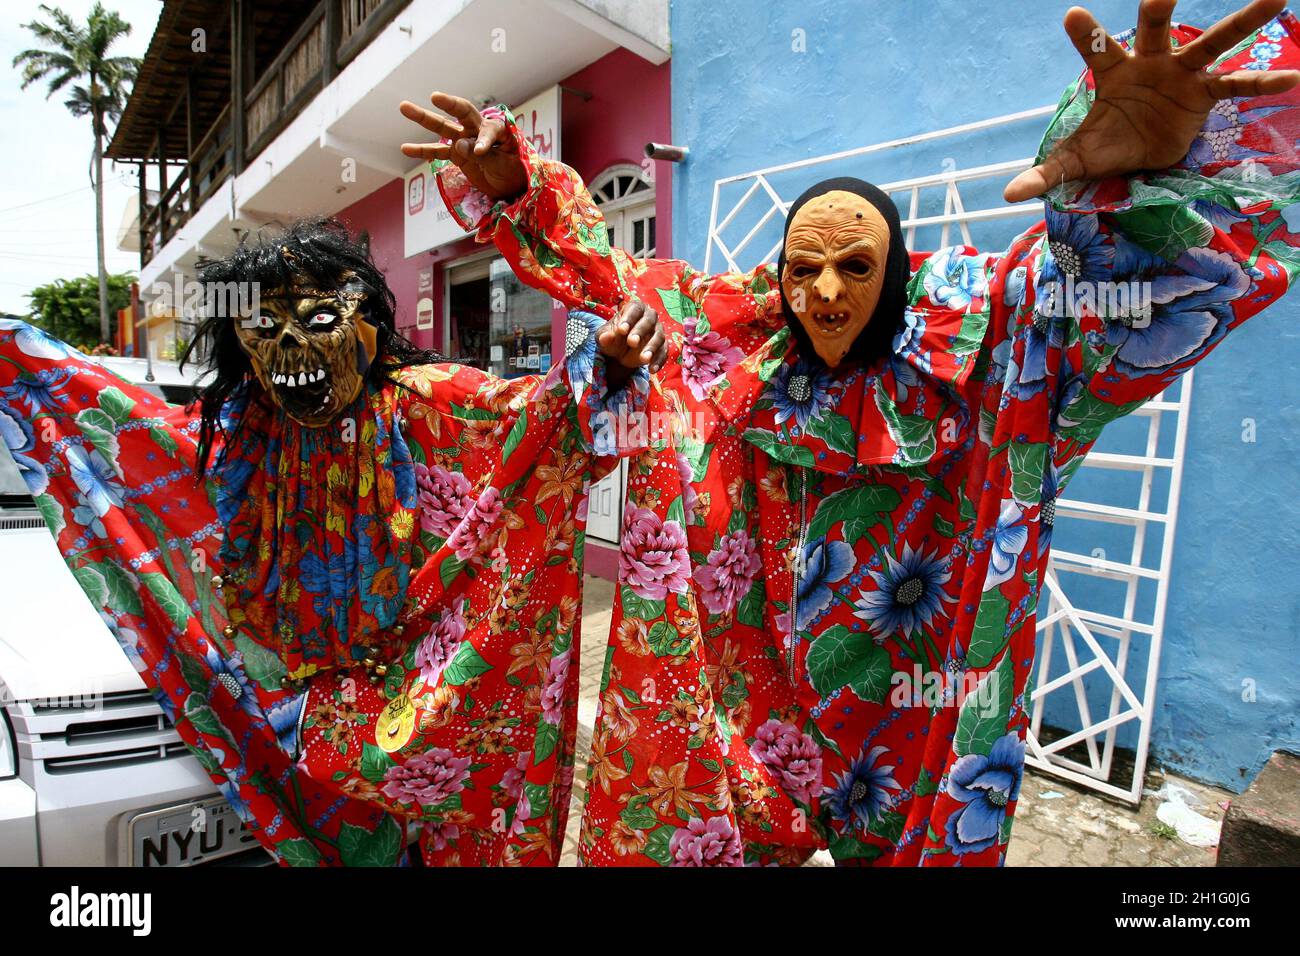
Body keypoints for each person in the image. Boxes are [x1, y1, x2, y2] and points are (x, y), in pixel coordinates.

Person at [400, 0, 1300, 865]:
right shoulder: (732, 330)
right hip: (746, 719)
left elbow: (1122, 308)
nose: (825, 294)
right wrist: (519, 183)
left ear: (898, 271)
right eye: (806, 268)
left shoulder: (984, 340)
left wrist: (1135, 188)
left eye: (855, 267)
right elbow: (613, 275)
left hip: (911, 714)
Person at [0, 217, 665, 866]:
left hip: (429, 735)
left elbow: (546, 418)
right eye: (264, 327)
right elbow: (127, 429)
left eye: (320, 320)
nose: (291, 345)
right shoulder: (238, 435)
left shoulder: (429, 404)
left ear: (370, 329)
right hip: (307, 737)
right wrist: (17, 360)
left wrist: (601, 362)